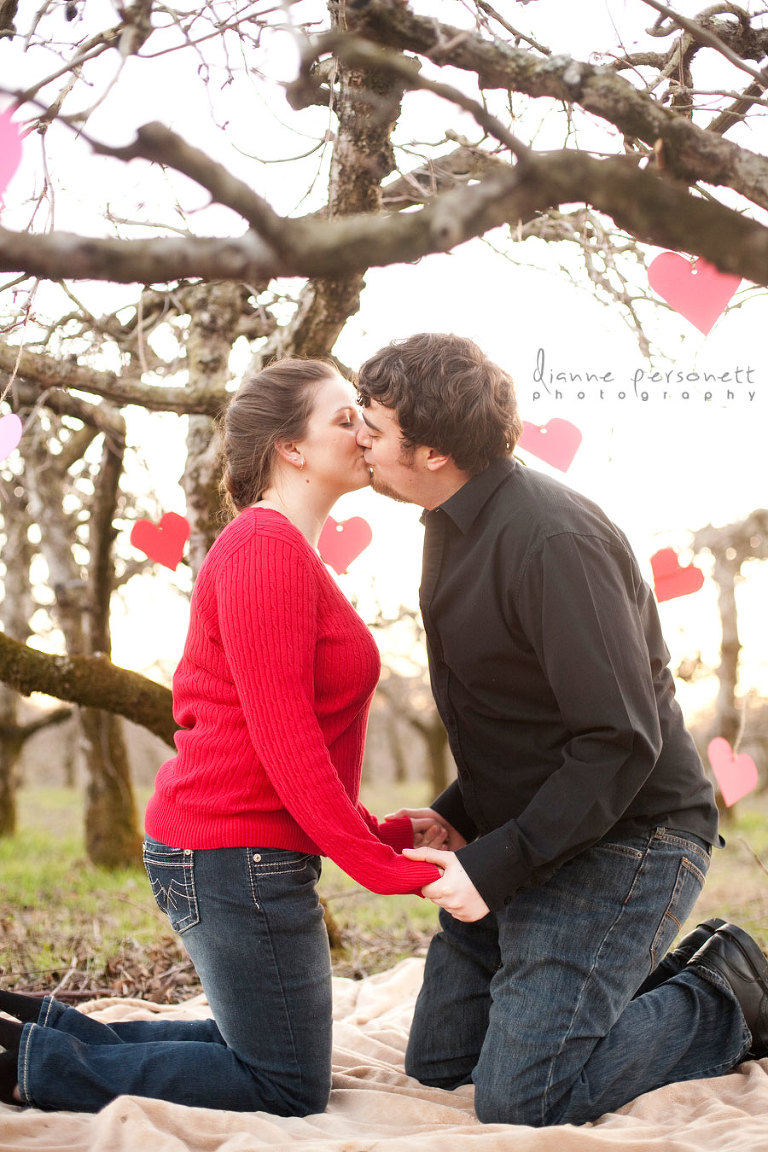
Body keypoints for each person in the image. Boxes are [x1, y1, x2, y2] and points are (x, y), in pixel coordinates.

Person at [0, 358, 441, 1114]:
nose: (365, 434)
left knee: (271, 1056)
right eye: (345, 419)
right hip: (234, 858)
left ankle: (31, 1032)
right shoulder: (264, 550)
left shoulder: (283, 551)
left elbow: (285, 753)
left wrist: (389, 831)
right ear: (289, 449)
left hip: (243, 848)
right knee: (287, 1084)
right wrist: (389, 870)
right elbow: (284, 746)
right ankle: (30, 1068)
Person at [355, 332, 768, 1128]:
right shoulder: (449, 521)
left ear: (433, 450)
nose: (360, 439)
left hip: (631, 834)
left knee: (524, 1097)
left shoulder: (553, 539)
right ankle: (606, 981)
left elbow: (618, 740)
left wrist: (492, 866)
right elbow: (516, 718)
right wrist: (458, 815)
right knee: (441, 1064)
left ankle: (728, 994)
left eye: (373, 426)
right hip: (535, 827)